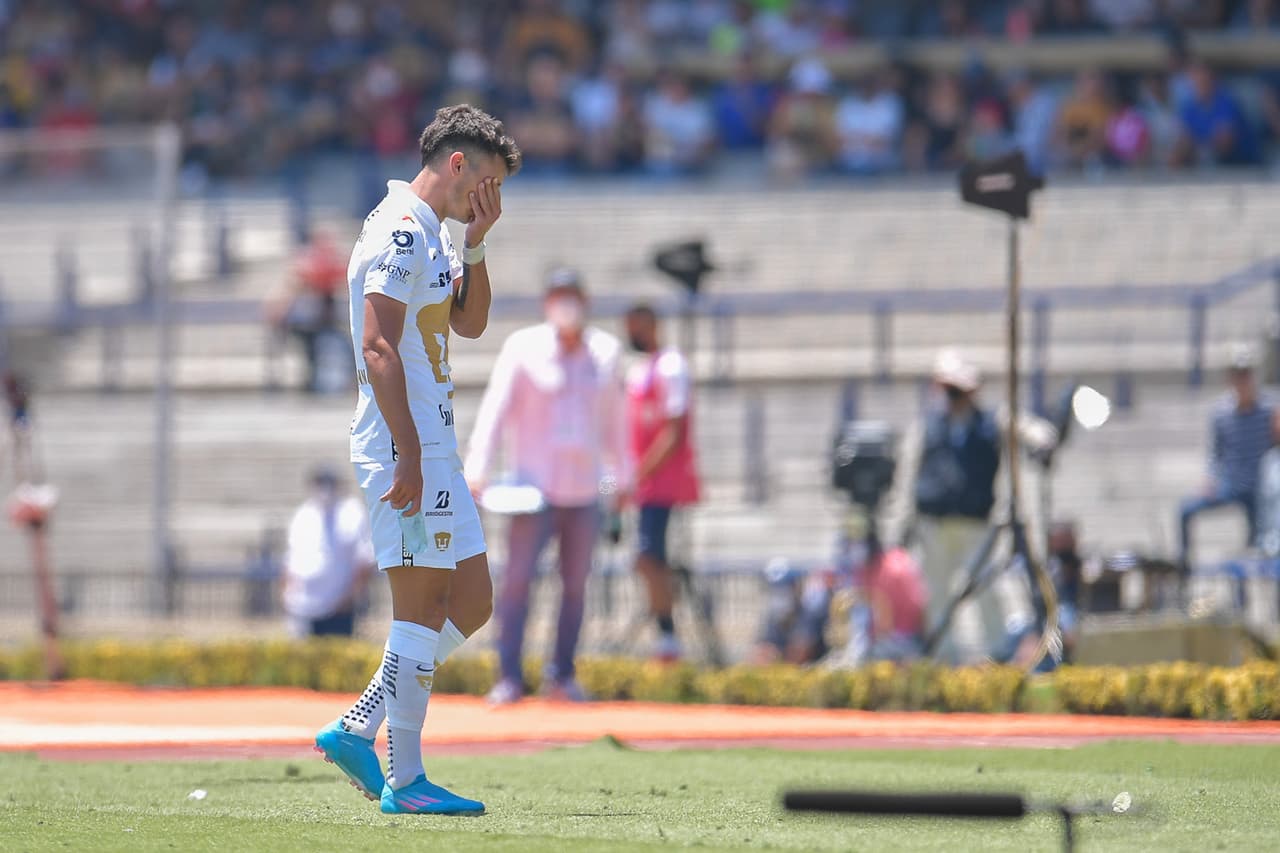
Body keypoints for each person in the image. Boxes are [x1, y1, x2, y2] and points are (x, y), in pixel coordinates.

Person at [313, 104, 520, 816]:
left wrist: (480, 240)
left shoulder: (434, 232)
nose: (485, 199)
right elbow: (376, 344)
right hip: (407, 445)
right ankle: (405, 777)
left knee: (470, 600)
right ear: (457, 164)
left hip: (434, 441)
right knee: (423, 605)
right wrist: (406, 450)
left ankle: (357, 726)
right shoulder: (400, 229)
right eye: (483, 185)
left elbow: (469, 321)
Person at [465, 268, 629, 706]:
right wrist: (477, 468)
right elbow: (495, 409)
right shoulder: (524, 347)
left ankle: (562, 674)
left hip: (583, 490)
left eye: (572, 295)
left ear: (586, 300)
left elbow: (616, 423)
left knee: (575, 585)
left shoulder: (606, 353)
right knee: (518, 583)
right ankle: (509, 677)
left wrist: (622, 478)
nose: (566, 304)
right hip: (531, 488)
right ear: (546, 302)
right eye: (558, 295)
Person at [884, 349, 1052, 666]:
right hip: (934, 526)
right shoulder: (927, 427)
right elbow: (908, 476)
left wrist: (1042, 441)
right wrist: (902, 527)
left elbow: (1029, 430)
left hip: (976, 525)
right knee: (936, 594)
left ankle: (999, 653)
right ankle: (941, 658)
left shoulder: (992, 421)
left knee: (986, 589)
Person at [623, 303, 700, 661]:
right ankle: (664, 629)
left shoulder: (671, 366)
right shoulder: (641, 371)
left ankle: (668, 632)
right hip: (648, 484)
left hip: (664, 483)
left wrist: (640, 473)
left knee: (651, 556)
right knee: (648, 556)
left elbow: (674, 430)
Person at [1179, 345, 1274, 574]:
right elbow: (1215, 452)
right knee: (1184, 510)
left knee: (1257, 548)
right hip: (1230, 484)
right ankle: (1183, 566)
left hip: (1258, 490)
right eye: (1237, 374)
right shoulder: (1221, 413)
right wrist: (1210, 478)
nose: (1242, 379)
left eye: (1246, 373)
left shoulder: (1269, 410)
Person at [281, 467, 375, 638]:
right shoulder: (304, 513)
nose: (324, 490)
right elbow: (291, 558)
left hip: (338, 607)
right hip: (302, 605)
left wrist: (350, 598)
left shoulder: (352, 512)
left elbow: (364, 560)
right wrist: (287, 593)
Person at [267, 229, 349, 394]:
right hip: (305, 320)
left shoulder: (324, 262)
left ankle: (322, 383)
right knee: (309, 353)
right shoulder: (307, 264)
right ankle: (294, 383)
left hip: (320, 320)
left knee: (328, 352)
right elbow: (287, 293)